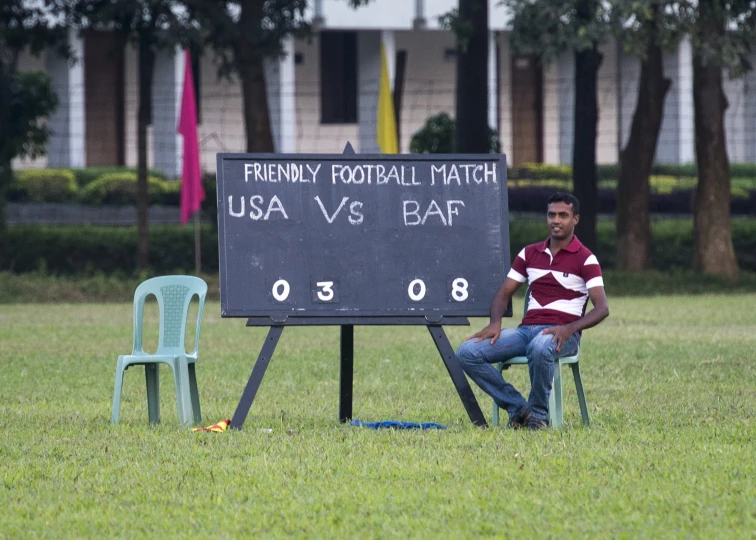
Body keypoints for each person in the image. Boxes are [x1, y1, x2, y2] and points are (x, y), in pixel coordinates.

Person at [456, 192, 609, 430]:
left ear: (575, 219)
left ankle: (538, 416)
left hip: (563, 334)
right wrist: (495, 322)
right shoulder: (529, 254)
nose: (556, 220)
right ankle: (519, 408)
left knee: (540, 346)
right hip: (525, 331)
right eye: (551, 215)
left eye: (563, 215)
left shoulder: (586, 259)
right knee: (467, 352)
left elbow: (602, 308)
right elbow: (503, 293)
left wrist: (570, 328)